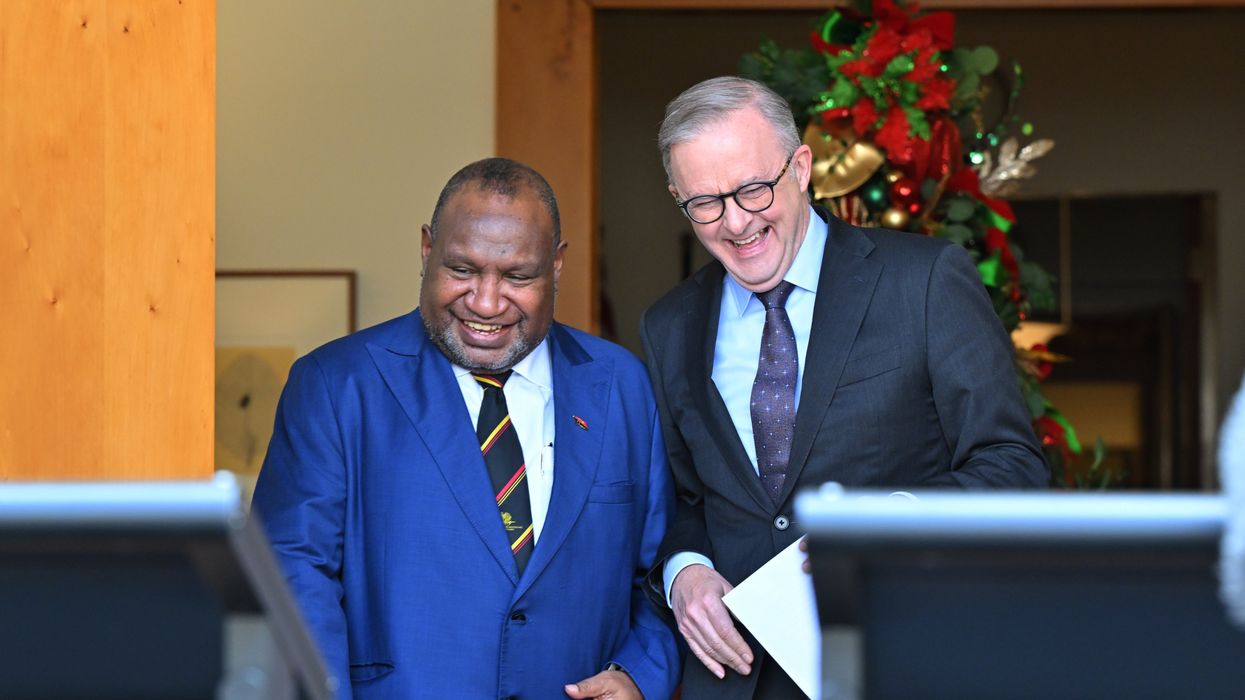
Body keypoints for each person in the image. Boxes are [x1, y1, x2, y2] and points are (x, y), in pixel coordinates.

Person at [639, 76, 1049, 698]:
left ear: (800, 167)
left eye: (753, 189)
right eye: (706, 203)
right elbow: (688, 502)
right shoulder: (669, 324)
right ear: (678, 198)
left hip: (900, 665)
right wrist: (684, 572)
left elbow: (1014, 466)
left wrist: (894, 522)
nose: (736, 223)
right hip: (735, 680)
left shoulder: (926, 280)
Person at [253, 157, 680, 700]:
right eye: (462, 270)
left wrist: (638, 674)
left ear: (557, 265)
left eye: (517, 276)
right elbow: (291, 577)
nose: (485, 302)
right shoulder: (335, 386)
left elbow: (662, 574)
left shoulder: (622, 385)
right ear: (428, 249)